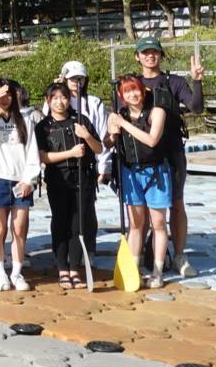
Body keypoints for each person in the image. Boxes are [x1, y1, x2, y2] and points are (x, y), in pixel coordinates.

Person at [123, 36, 203, 277]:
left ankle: (178, 255)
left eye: (154, 52)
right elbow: (120, 117)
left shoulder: (174, 82)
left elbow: (196, 108)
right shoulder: (129, 85)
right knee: (141, 214)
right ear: (137, 56)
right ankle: (144, 256)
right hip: (140, 156)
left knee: (176, 204)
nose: (150, 56)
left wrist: (197, 81)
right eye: (145, 52)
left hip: (171, 152)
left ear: (160, 55)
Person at [0, 78, 40, 292]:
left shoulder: (24, 120)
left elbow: (32, 150)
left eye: (8, 94)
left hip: (21, 180)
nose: (5, 98)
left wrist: (30, 178)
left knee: (19, 228)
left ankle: (17, 273)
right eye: (0, 94)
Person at [106, 74, 171, 288]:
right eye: (127, 91)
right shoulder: (117, 115)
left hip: (156, 173)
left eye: (135, 89)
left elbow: (152, 140)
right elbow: (107, 144)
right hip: (130, 173)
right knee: (135, 224)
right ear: (121, 95)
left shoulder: (157, 112)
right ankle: (133, 269)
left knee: (158, 224)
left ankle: (157, 272)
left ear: (142, 90)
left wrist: (123, 124)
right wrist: (112, 133)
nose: (132, 94)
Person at [36, 82, 101, 289]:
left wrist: (87, 136)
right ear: (48, 101)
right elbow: (43, 157)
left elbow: (98, 148)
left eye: (63, 97)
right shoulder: (43, 127)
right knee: (60, 223)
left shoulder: (81, 121)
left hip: (82, 179)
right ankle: (62, 269)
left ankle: (75, 269)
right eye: (54, 98)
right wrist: (71, 153)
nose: (59, 102)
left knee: (77, 224)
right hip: (58, 180)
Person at [47, 61, 111, 186]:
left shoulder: (95, 103)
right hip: (62, 166)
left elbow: (102, 133)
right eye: (72, 78)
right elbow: (48, 118)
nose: (77, 81)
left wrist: (103, 167)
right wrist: (56, 89)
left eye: (80, 78)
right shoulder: (57, 103)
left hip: (88, 164)